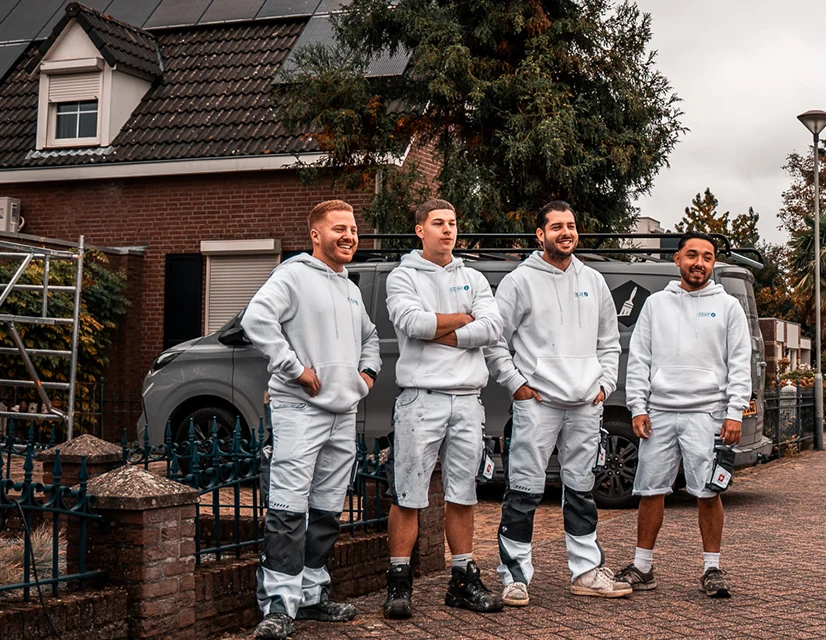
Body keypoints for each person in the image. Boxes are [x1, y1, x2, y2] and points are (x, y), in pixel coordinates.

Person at [242, 200, 381, 640]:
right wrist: (294, 369)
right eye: (339, 229)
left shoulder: (349, 287)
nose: (349, 236)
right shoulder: (293, 275)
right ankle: (278, 606)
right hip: (300, 410)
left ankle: (311, 594)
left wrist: (366, 376)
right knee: (288, 507)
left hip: (343, 412)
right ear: (316, 235)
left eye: (353, 229)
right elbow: (256, 319)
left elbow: (370, 337)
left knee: (326, 510)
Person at [485, 200, 631, 606]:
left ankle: (586, 571)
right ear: (540, 235)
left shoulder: (594, 281)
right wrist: (516, 384)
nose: (566, 233)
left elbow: (609, 342)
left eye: (571, 226)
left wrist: (605, 384)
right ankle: (515, 575)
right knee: (524, 488)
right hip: (538, 402)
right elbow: (495, 340)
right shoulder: (519, 281)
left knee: (581, 488)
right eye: (556, 227)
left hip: (585, 403)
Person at [383, 198, 505, 619]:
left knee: (463, 493)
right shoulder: (403, 276)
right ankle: (399, 582)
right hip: (421, 397)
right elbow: (413, 324)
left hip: (468, 399)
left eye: (452, 223)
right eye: (438, 223)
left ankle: (462, 580)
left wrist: (441, 329)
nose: (448, 230)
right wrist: (465, 319)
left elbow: (493, 327)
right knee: (408, 494)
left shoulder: (473, 276)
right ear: (420, 230)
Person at [616, 230, 751, 598]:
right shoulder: (656, 304)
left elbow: (740, 363)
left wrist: (734, 412)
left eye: (707, 257)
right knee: (651, 490)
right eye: (692, 255)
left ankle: (712, 569)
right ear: (677, 259)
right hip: (659, 414)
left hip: (707, 414)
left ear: (713, 263)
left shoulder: (728, 307)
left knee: (708, 492)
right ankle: (643, 567)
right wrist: (638, 406)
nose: (699, 263)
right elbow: (639, 358)